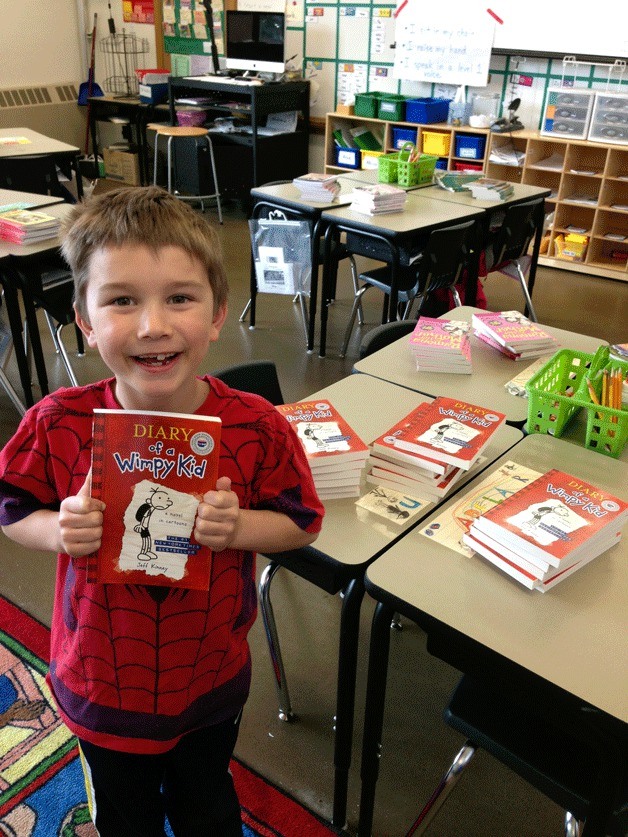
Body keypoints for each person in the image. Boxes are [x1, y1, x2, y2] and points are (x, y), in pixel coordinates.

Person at [0, 186, 325, 837]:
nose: (153, 325)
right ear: (85, 322)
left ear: (216, 313)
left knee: (207, 804)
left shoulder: (257, 427)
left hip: (210, 678)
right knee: (127, 818)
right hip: (98, 681)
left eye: (179, 297)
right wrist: (56, 528)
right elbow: (10, 506)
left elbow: (302, 519)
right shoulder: (57, 423)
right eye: (122, 299)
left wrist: (239, 527)